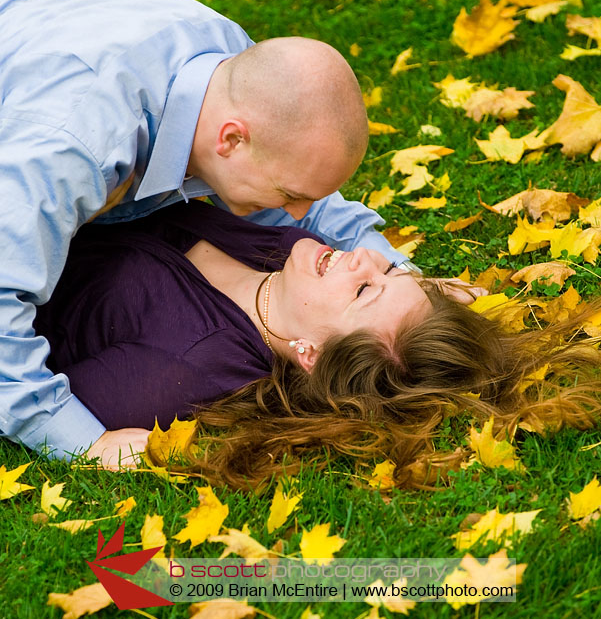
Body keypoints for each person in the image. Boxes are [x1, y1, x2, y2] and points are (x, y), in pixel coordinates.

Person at [0, 0, 419, 468]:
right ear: (231, 139)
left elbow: (311, 200)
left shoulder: (223, 63)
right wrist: (79, 439)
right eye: (288, 193)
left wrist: (406, 279)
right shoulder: (70, 148)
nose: (300, 216)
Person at [33, 200, 601, 489]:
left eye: (363, 289)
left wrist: (82, 442)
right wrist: (413, 292)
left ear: (308, 353)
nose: (368, 258)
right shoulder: (296, 271)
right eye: (391, 274)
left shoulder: (183, 367)